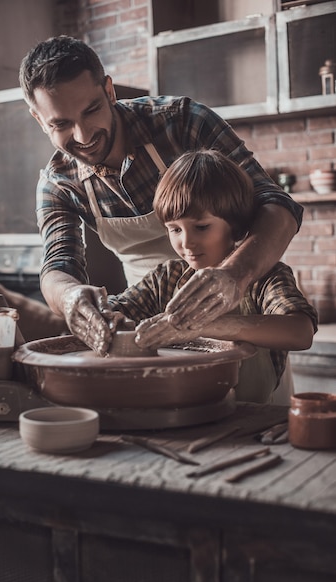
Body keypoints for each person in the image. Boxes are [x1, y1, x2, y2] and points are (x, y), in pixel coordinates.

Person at [19, 35, 304, 356]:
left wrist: (235, 276)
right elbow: (59, 264)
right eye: (61, 124)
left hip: (242, 299)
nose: (82, 135)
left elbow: (277, 205)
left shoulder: (182, 123)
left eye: (92, 110)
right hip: (156, 324)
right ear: (39, 119)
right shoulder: (58, 182)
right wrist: (71, 298)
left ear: (109, 91)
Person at [106, 149, 317, 403]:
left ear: (235, 225)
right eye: (174, 230)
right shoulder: (167, 278)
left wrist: (201, 327)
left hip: (257, 420)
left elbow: (301, 332)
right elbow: (117, 310)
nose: (186, 243)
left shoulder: (266, 277)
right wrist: (103, 315)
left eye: (201, 227)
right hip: (187, 413)